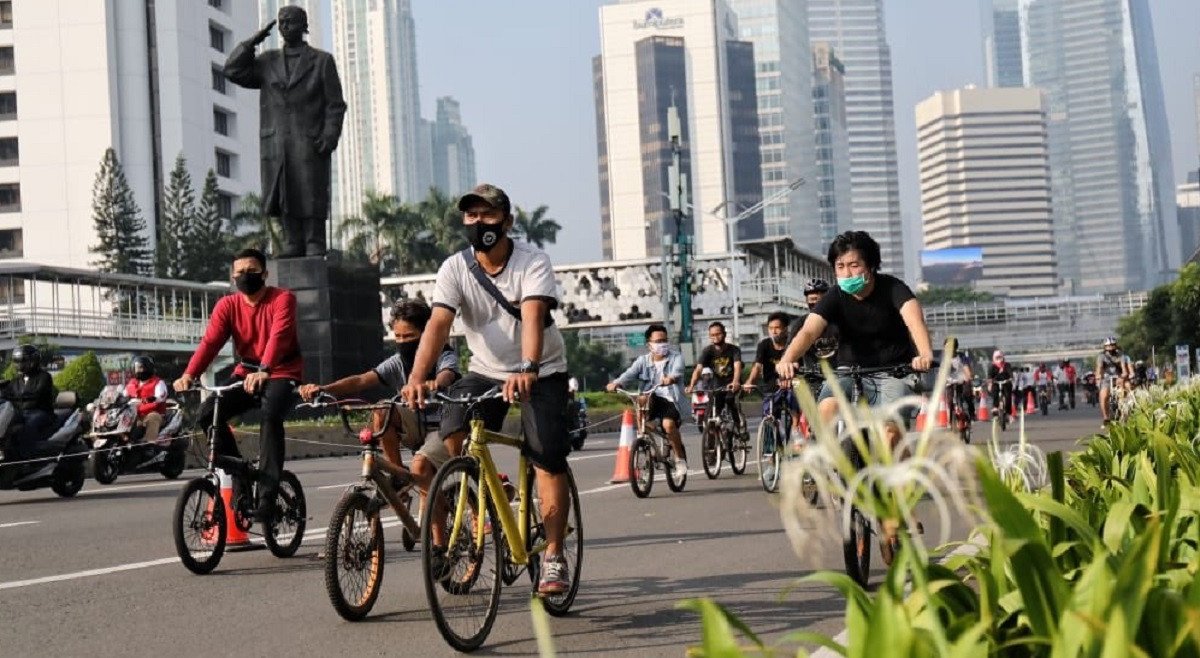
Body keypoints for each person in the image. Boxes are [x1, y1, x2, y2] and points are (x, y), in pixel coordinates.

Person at [400, 183, 574, 596]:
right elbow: (438, 324)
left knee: (547, 457)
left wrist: (528, 367)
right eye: (471, 216)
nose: (479, 223)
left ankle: (553, 554)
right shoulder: (454, 268)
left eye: (488, 215)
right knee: (452, 424)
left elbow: (532, 315)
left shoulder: (532, 261)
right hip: (485, 371)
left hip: (540, 371)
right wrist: (416, 378)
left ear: (507, 222)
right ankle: (489, 492)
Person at [173, 248, 302, 522]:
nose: (245, 276)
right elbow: (210, 343)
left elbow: (279, 337)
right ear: (232, 277)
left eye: (252, 271)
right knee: (208, 413)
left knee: (270, 416)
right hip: (247, 371)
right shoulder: (227, 306)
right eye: (240, 272)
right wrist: (189, 374)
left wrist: (265, 369)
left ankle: (267, 496)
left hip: (282, 371)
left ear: (265, 274)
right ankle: (239, 471)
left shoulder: (283, 299)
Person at [776, 231, 934, 450]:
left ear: (871, 266)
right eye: (840, 266)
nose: (847, 273)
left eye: (854, 265)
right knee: (826, 410)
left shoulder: (894, 288)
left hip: (893, 372)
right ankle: (829, 465)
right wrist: (788, 359)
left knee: (890, 435)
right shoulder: (835, 295)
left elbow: (915, 322)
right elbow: (808, 332)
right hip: (848, 372)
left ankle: (903, 472)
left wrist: (924, 354)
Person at [299, 299, 459, 500]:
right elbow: (361, 380)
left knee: (420, 469)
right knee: (383, 409)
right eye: (398, 337)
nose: (403, 342)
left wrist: (433, 384)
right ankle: (398, 477)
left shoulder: (443, 355)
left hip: (444, 428)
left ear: (426, 334)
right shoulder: (397, 362)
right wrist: (323, 389)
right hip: (415, 424)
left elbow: (447, 374)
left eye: (409, 336)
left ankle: (433, 515)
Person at [223, 5, 346, 258]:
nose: (285, 27)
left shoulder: (321, 61)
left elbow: (335, 104)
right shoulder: (267, 62)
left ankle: (314, 240)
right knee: (283, 190)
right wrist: (252, 43)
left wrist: (330, 135)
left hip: (309, 140)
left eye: (290, 22)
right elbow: (232, 71)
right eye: (281, 22)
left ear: (304, 25)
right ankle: (292, 241)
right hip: (277, 141)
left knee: (310, 190)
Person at [606, 324, 687, 480]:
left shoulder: (676, 357)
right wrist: (616, 383)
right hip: (651, 399)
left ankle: (679, 459)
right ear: (649, 344)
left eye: (664, 340)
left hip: (671, 400)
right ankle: (644, 439)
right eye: (658, 341)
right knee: (642, 398)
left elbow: (677, 372)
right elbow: (629, 374)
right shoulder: (642, 361)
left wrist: (671, 378)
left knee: (668, 425)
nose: (662, 344)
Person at [744, 311, 803, 435]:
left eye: (777, 328)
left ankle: (795, 424)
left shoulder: (794, 343)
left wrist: (788, 378)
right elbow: (757, 366)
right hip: (771, 383)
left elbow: (796, 364)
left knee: (794, 396)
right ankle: (769, 441)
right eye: (770, 328)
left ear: (786, 329)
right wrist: (750, 381)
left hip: (793, 379)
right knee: (768, 412)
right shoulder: (764, 345)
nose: (773, 331)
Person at [686, 322, 746, 436]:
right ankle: (714, 438)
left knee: (730, 400)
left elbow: (737, 366)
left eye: (718, 334)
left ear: (724, 334)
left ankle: (739, 426)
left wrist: (735, 381)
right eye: (712, 335)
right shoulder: (707, 351)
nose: (715, 337)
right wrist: (691, 385)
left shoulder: (734, 349)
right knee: (711, 411)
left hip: (733, 383)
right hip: (717, 385)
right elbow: (698, 369)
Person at [1, 344, 56, 459]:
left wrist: (17, 396)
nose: (20, 364)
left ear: (34, 361)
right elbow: (6, 393)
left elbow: (37, 393)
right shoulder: (16, 381)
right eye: (17, 361)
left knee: (28, 425)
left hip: (40, 411)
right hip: (20, 412)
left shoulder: (44, 377)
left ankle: (28, 458)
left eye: (23, 361)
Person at [124, 355, 169, 443]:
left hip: (155, 413)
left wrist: (144, 401)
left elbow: (160, 397)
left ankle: (150, 443)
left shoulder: (158, 382)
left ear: (148, 368)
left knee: (153, 417)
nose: (138, 370)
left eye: (141, 367)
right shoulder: (132, 382)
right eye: (136, 368)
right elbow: (123, 394)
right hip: (135, 415)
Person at [1096, 336, 1133, 426]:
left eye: (1112, 345)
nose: (1110, 347)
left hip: (1119, 378)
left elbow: (1124, 368)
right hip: (1106, 379)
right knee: (1104, 395)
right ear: (1105, 347)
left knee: (1125, 392)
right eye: (1108, 346)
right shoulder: (1101, 356)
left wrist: (1124, 375)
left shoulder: (1121, 356)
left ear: (1116, 346)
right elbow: (1099, 368)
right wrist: (1098, 375)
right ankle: (1106, 417)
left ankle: (1126, 411)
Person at [947, 351, 974, 422]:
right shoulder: (944, 358)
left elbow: (966, 368)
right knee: (950, 401)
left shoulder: (962, 357)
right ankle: (950, 421)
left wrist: (968, 376)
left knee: (967, 396)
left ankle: (972, 415)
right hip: (949, 382)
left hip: (961, 381)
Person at [987, 351, 1014, 418]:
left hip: (1006, 382)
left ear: (1002, 357)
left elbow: (1010, 372)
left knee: (1008, 396)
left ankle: (1008, 412)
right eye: (997, 357)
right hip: (996, 383)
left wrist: (1011, 378)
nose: (999, 359)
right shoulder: (992, 366)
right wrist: (990, 380)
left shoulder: (1007, 365)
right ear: (994, 358)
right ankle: (995, 407)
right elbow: (989, 375)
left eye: (1000, 357)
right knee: (995, 393)